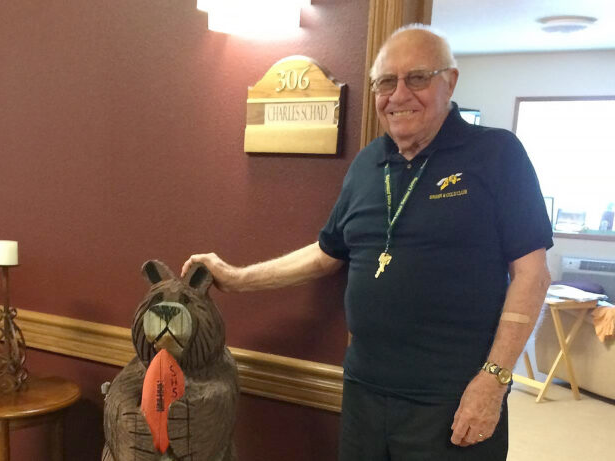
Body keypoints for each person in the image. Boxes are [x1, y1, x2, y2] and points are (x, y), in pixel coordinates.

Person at [182, 24, 552, 460]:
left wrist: (493, 380)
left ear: (449, 81)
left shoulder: (497, 154)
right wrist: (237, 278)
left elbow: (532, 274)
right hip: (364, 392)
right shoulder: (367, 162)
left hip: (450, 398)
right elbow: (326, 254)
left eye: (416, 78)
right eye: (385, 83)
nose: (398, 95)